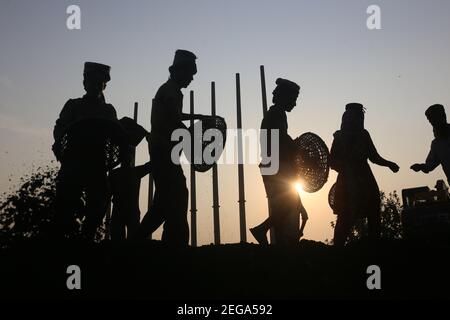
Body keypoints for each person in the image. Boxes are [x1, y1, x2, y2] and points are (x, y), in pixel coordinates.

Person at [135, 50, 209, 246]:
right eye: (190, 74)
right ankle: (175, 245)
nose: (192, 79)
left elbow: (175, 115)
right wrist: (191, 133)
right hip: (164, 151)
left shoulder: (171, 90)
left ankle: (136, 240)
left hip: (164, 152)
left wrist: (198, 117)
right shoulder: (170, 91)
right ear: (179, 71)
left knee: (163, 203)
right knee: (177, 194)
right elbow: (173, 117)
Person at [51, 62, 120, 240]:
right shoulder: (73, 105)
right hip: (74, 161)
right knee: (65, 205)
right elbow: (59, 128)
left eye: (99, 82)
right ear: (84, 83)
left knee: (99, 203)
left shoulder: (107, 110)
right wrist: (58, 141)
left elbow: (117, 134)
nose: (95, 85)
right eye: (91, 81)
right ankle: (60, 238)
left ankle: (86, 237)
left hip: (96, 163)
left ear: (104, 85)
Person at [330, 103, 399, 246]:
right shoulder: (339, 137)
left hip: (365, 179)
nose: (352, 120)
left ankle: (374, 243)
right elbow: (332, 161)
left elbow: (374, 156)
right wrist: (344, 166)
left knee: (373, 209)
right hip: (347, 181)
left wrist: (388, 164)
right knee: (345, 215)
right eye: (350, 117)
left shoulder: (363, 135)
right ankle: (338, 248)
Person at [250, 78, 308, 246]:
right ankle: (262, 229)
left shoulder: (275, 114)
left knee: (283, 205)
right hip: (276, 166)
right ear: (285, 97)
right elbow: (281, 138)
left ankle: (273, 236)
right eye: (294, 99)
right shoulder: (277, 114)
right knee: (287, 204)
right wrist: (296, 147)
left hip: (272, 165)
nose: (295, 104)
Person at [110, 146, 151, 240]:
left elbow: (150, 166)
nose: (129, 157)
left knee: (122, 240)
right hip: (127, 211)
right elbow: (150, 165)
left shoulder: (115, 173)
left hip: (123, 211)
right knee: (131, 241)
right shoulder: (134, 172)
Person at [411, 104, 450, 184]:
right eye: (430, 121)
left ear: (443, 116)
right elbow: (429, 165)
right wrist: (421, 166)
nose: (433, 123)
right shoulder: (437, 144)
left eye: (434, 119)